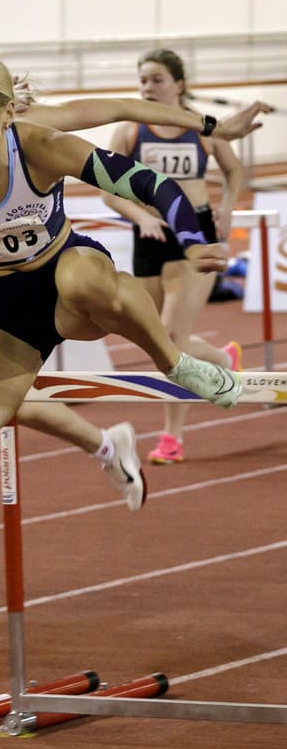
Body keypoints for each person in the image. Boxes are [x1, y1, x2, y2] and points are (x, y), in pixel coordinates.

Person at [0, 50, 242, 666]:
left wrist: (195, 238)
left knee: (87, 277)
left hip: (69, 281)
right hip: (1, 312)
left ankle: (176, 363)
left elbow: (149, 183)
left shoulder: (40, 147)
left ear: (6, 112)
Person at [100, 48, 247, 464]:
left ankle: (172, 436)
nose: (147, 87)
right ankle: (221, 359)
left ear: (178, 85)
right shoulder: (130, 132)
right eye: (142, 80)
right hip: (150, 235)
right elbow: (108, 190)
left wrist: (227, 206)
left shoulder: (204, 129)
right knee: (158, 335)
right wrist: (139, 216)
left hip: (193, 235)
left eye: (157, 80)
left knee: (171, 338)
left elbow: (234, 170)